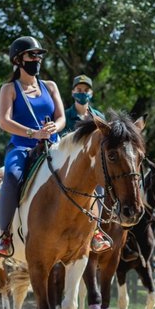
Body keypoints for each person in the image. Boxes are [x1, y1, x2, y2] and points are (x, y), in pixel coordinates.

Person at [0, 36, 66, 256]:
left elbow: (61, 117)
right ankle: (5, 235)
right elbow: (4, 121)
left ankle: (97, 229)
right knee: (13, 176)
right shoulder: (9, 89)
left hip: (53, 146)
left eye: (39, 55)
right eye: (31, 55)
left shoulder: (50, 86)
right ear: (18, 60)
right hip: (22, 147)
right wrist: (33, 133)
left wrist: (55, 128)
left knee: (86, 167)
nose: (37, 59)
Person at [61, 75, 111, 253]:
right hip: (68, 166)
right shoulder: (65, 115)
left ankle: (97, 232)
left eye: (86, 90)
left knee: (101, 190)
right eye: (79, 90)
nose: (82, 93)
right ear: (73, 92)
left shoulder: (99, 116)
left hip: (91, 168)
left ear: (91, 93)